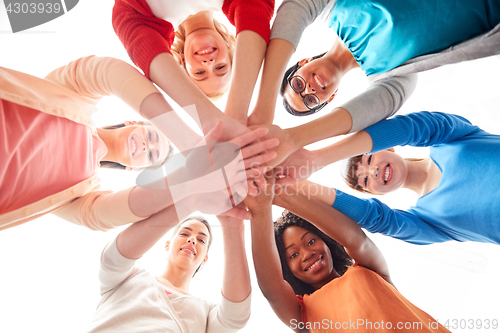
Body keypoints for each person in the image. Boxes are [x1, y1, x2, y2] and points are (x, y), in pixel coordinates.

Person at [0, 55, 278, 231]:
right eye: (153, 137)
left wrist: (192, 181)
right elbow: (107, 71)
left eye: (152, 155)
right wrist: (190, 143)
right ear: (134, 123)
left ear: (135, 170)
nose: (147, 146)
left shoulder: (79, 197)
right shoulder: (73, 97)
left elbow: (109, 215)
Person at [248, 0, 500, 168]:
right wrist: (293, 139)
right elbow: (374, 109)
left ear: (302, 61)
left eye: (298, 85)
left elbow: (296, 7)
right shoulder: (394, 78)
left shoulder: (330, 8)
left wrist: (264, 106)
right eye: (311, 100)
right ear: (331, 98)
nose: (310, 90)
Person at [244, 173, 450, 332]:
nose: (306, 254)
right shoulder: (301, 315)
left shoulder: (369, 269)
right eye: (293, 255)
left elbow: (355, 239)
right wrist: (260, 210)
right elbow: (271, 287)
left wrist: (280, 195)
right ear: (286, 269)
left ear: (327, 243)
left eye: (311, 241)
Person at [291, 111, 500, 245]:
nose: (372, 171)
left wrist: (316, 159)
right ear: (373, 193)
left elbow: (409, 128)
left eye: (370, 159)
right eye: (365, 181)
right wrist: (295, 182)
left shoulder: (448, 138)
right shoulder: (426, 220)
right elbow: (376, 219)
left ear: (387, 146)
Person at [86, 207, 252, 332]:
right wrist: (187, 202)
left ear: (205, 258)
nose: (192, 239)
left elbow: (236, 315)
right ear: (168, 244)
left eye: (201, 240)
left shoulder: (206, 311)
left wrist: (233, 225)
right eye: (184, 234)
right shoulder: (128, 278)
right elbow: (113, 259)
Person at [113, 0, 274, 125]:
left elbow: (133, 34)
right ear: (231, 49)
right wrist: (237, 112)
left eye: (200, 73)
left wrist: (207, 119)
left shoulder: (145, 19)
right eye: (220, 67)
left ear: (183, 65)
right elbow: (256, 7)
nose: (209, 63)